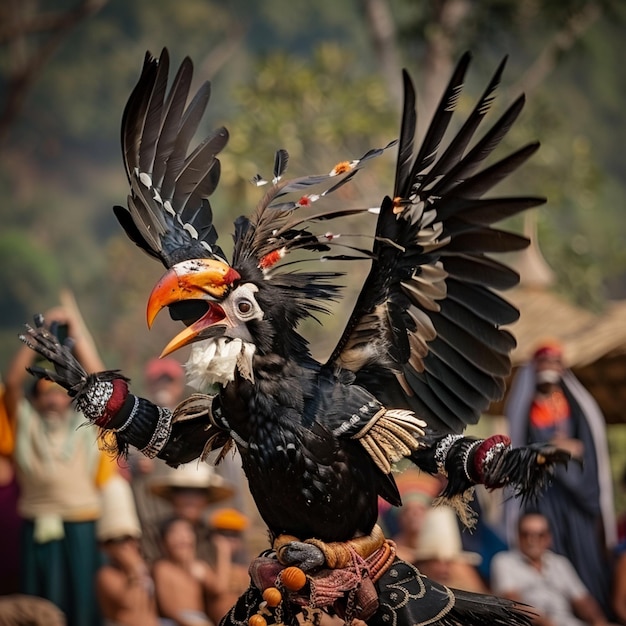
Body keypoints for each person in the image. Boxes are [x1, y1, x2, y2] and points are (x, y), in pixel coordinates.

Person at [3, 303, 118, 626]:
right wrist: (39, 337)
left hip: (81, 524)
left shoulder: (84, 422)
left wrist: (76, 335)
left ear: (70, 398)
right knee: (38, 608)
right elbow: (11, 384)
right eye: (45, 393)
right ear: (36, 400)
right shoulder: (26, 422)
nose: (53, 399)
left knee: (82, 605)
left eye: (59, 392)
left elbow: (103, 386)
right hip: (37, 525)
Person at [504, 340, 615, 614]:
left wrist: (562, 450)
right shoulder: (528, 408)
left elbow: (584, 447)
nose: (549, 370)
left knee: (586, 557)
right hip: (545, 498)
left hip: (576, 498)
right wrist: (559, 448)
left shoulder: (573, 405)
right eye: (543, 363)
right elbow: (527, 449)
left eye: (554, 363)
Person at [491, 511, 614, 626]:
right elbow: (513, 604)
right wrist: (548, 623)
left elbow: (583, 601)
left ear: (548, 538)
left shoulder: (560, 563)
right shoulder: (504, 562)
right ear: (517, 536)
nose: (532, 540)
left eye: (540, 535)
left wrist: (598, 621)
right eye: (526, 534)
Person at [127, 357, 188, 564]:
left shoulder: (190, 422)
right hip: (145, 516)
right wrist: (132, 466)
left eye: (169, 381)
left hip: (182, 519)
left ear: (179, 386)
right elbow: (118, 462)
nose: (163, 386)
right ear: (148, 385)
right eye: (158, 381)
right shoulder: (133, 422)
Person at [96, 475, 160, 626]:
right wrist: (133, 568)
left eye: (129, 538)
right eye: (118, 541)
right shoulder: (106, 575)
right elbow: (130, 604)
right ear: (106, 547)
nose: (126, 546)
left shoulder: (145, 567)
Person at [153, 516, 232, 626]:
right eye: (175, 533)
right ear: (163, 543)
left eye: (187, 532)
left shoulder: (199, 567)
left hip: (199, 618)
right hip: (176, 621)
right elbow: (168, 608)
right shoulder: (163, 568)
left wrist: (223, 552)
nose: (182, 537)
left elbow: (220, 588)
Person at [149, 461, 235, 563]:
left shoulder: (212, 537)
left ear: (207, 500)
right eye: (183, 491)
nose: (190, 499)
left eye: (198, 493)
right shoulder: (153, 532)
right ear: (172, 497)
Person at [410, 505, 489, 593]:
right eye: (436, 561)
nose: (443, 569)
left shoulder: (466, 578)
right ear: (422, 564)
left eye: (448, 562)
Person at [207, 508, 252, 621]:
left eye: (235, 535)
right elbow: (219, 588)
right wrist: (223, 553)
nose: (231, 540)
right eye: (225, 534)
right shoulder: (207, 565)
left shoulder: (246, 565)